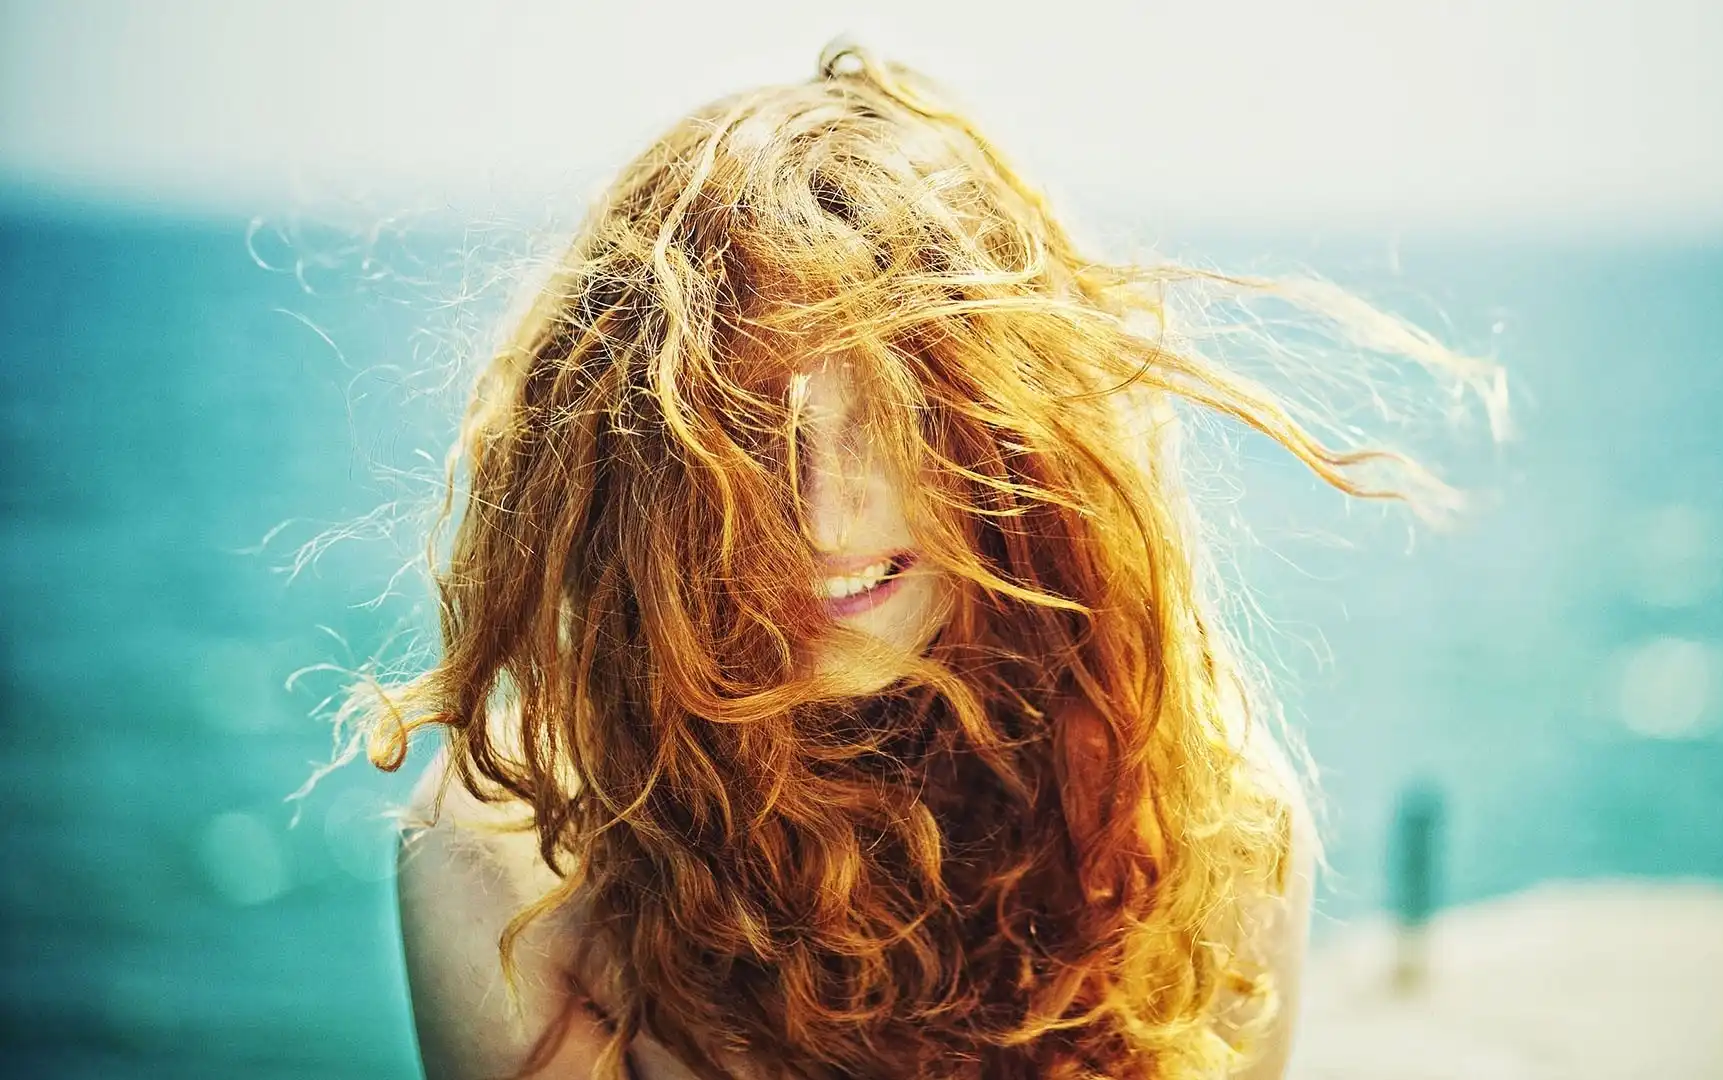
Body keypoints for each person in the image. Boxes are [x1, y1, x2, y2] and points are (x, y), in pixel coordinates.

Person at [358, 41, 1503, 1080]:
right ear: (637, 461)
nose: (821, 517)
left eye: (889, 412)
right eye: (747, 431)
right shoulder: (523, 858)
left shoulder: (1200, 827)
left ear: (1011, 428)